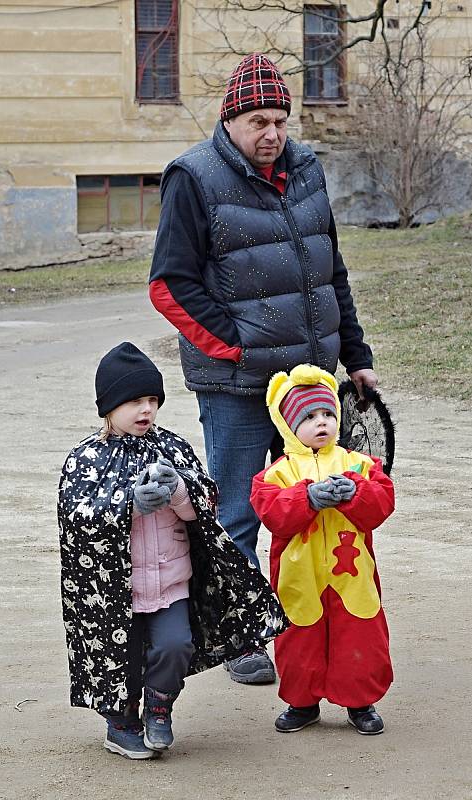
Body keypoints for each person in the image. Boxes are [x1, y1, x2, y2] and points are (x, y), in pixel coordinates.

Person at [149, 52, 377, 684]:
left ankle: (311, 616)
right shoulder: (192, 176)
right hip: (237, 383)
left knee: (315, 501)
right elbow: (169, 284)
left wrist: (354, 357)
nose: (272, 133)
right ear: (231, 122)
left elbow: (330, 273)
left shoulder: (306, 168)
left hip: (311, 386)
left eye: (280, 119)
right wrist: (239, 348)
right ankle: (240, 631)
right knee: (239, 511)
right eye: (258, 121)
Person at [57, 341, 287, 760]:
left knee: (175, 645)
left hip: (171, 579)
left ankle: (159, 707)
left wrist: (180, 490)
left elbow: (206, 502)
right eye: (133, 401)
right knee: (118, 658)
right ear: (108, 407)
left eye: (151, 400)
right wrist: (130, 503)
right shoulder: (85, 459)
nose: (145, 410)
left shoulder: (173, 447)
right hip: (112, 593)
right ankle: (121, 722)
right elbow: (77, 516)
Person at [250, 363, 394, 735]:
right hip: (300, 577)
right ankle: (302, 702)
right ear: (286, 425)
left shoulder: (358, 464)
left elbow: (381, 504)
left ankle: (360, 701)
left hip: (352, 575)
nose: (322, 422)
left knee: (359, 633)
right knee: (300, 637)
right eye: (309, 416)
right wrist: (308, 498)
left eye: (328, 413)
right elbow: (272, 513)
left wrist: (356, 493)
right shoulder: (276, 473)